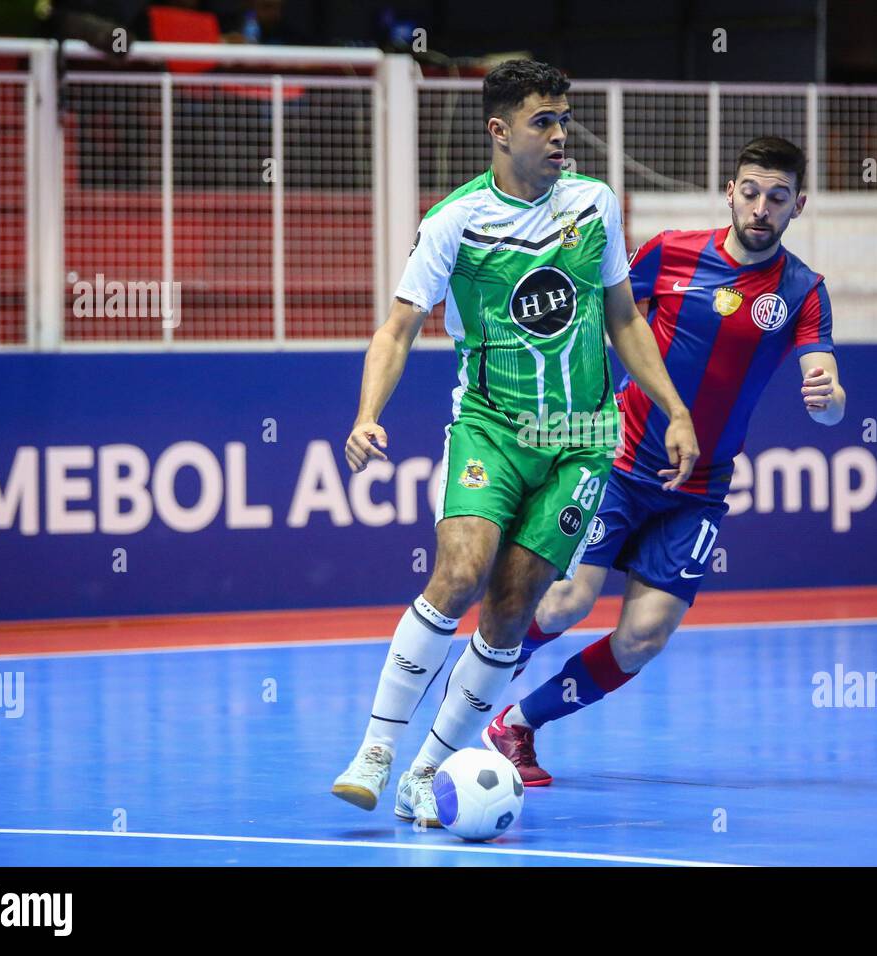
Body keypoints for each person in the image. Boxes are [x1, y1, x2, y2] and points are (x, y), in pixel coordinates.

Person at [331, 59, 699, 826]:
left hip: (582, 440)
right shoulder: (454, 221)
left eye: (564, 118)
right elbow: (397, 328)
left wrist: (673, 410)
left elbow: (624, 319)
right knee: (460, 571)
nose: (561, 133)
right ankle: (374, 750)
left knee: (511, 608)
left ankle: (427, 771)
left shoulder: (594, 205)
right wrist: (368, 414)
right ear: (499, 131)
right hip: (493, 429)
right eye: (544, 120)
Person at [482, 136, 845, 785]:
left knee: (642, 639)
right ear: (731, 192)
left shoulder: (803, 291)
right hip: (620, 462)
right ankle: (491, 665)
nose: (762, 207)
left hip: (700, 492)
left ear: (799, 206)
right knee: (565, 601)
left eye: (778, 197)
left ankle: (515, 724)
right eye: (752, 191)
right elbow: (608, 317)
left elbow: (826, 388)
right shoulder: (670, 252)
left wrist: (831, 399)